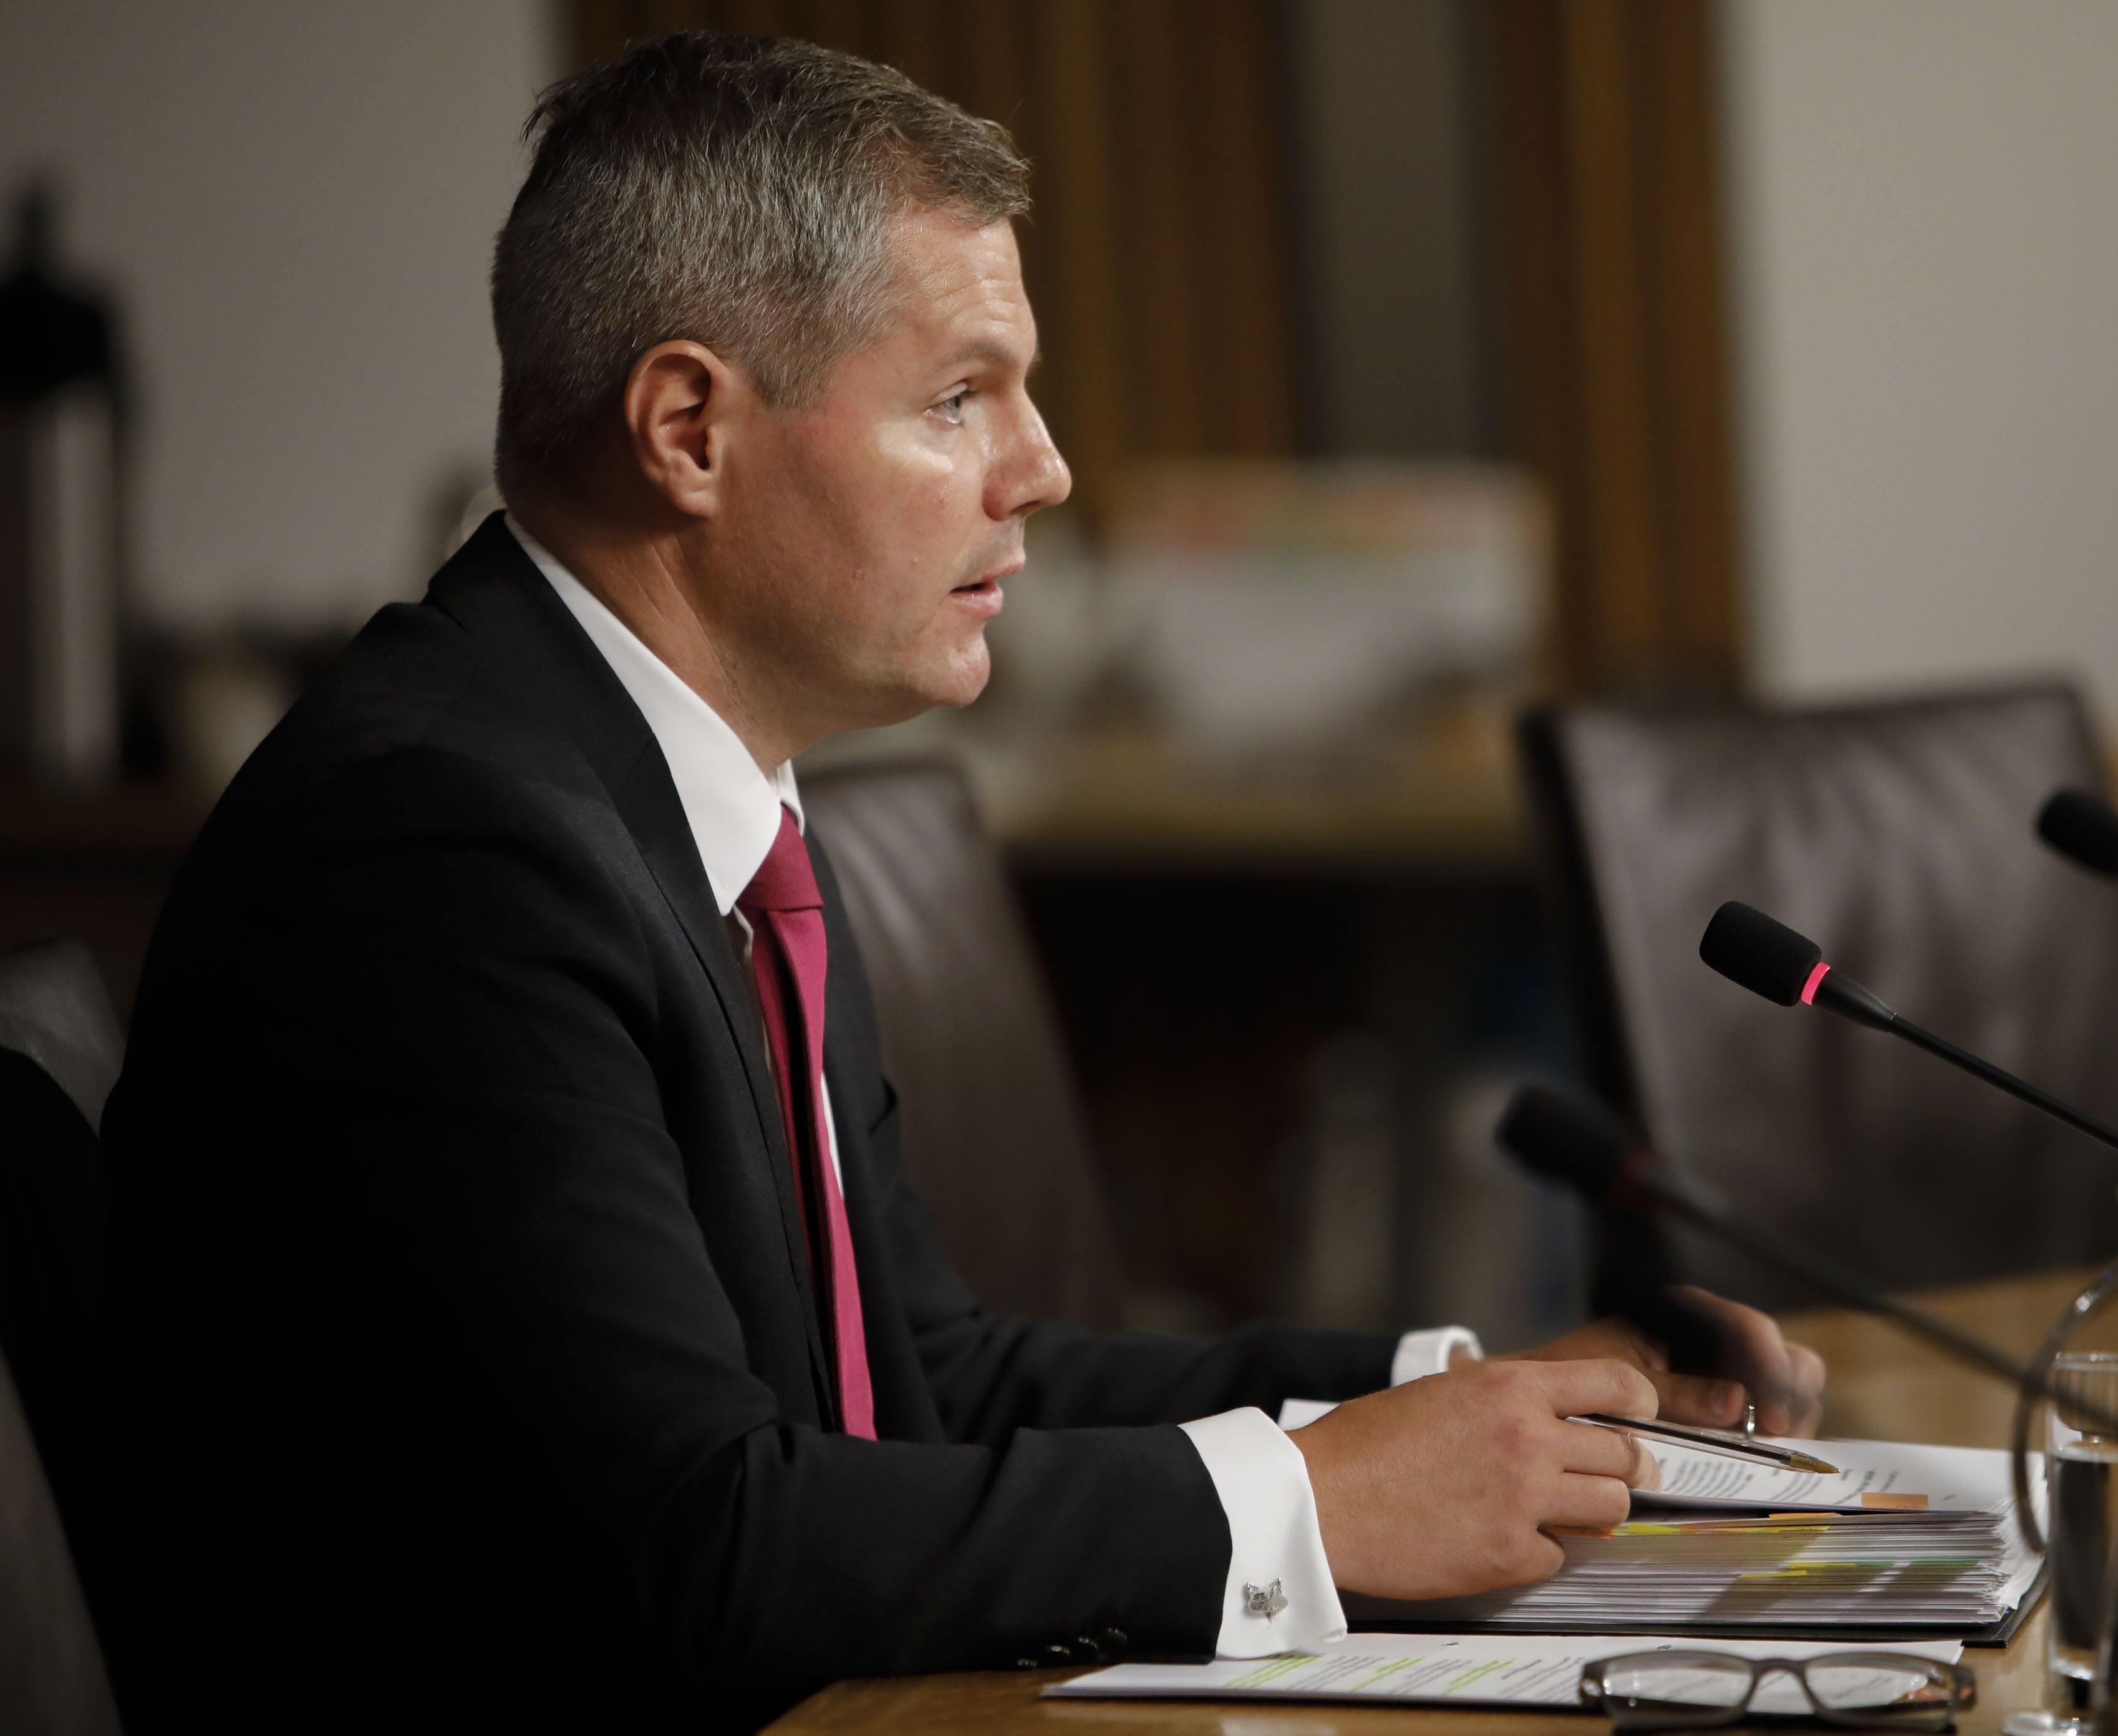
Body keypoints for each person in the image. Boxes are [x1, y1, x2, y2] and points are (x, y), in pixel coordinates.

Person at [95, 32, 1824, 1732]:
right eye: (959, 397)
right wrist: (1302, 1505)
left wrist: (1456, 1403)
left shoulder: (689, 790)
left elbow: (924, 1377)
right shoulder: (440, 849)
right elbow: (693, 1540)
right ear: (689, 430)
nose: (1045, 468)